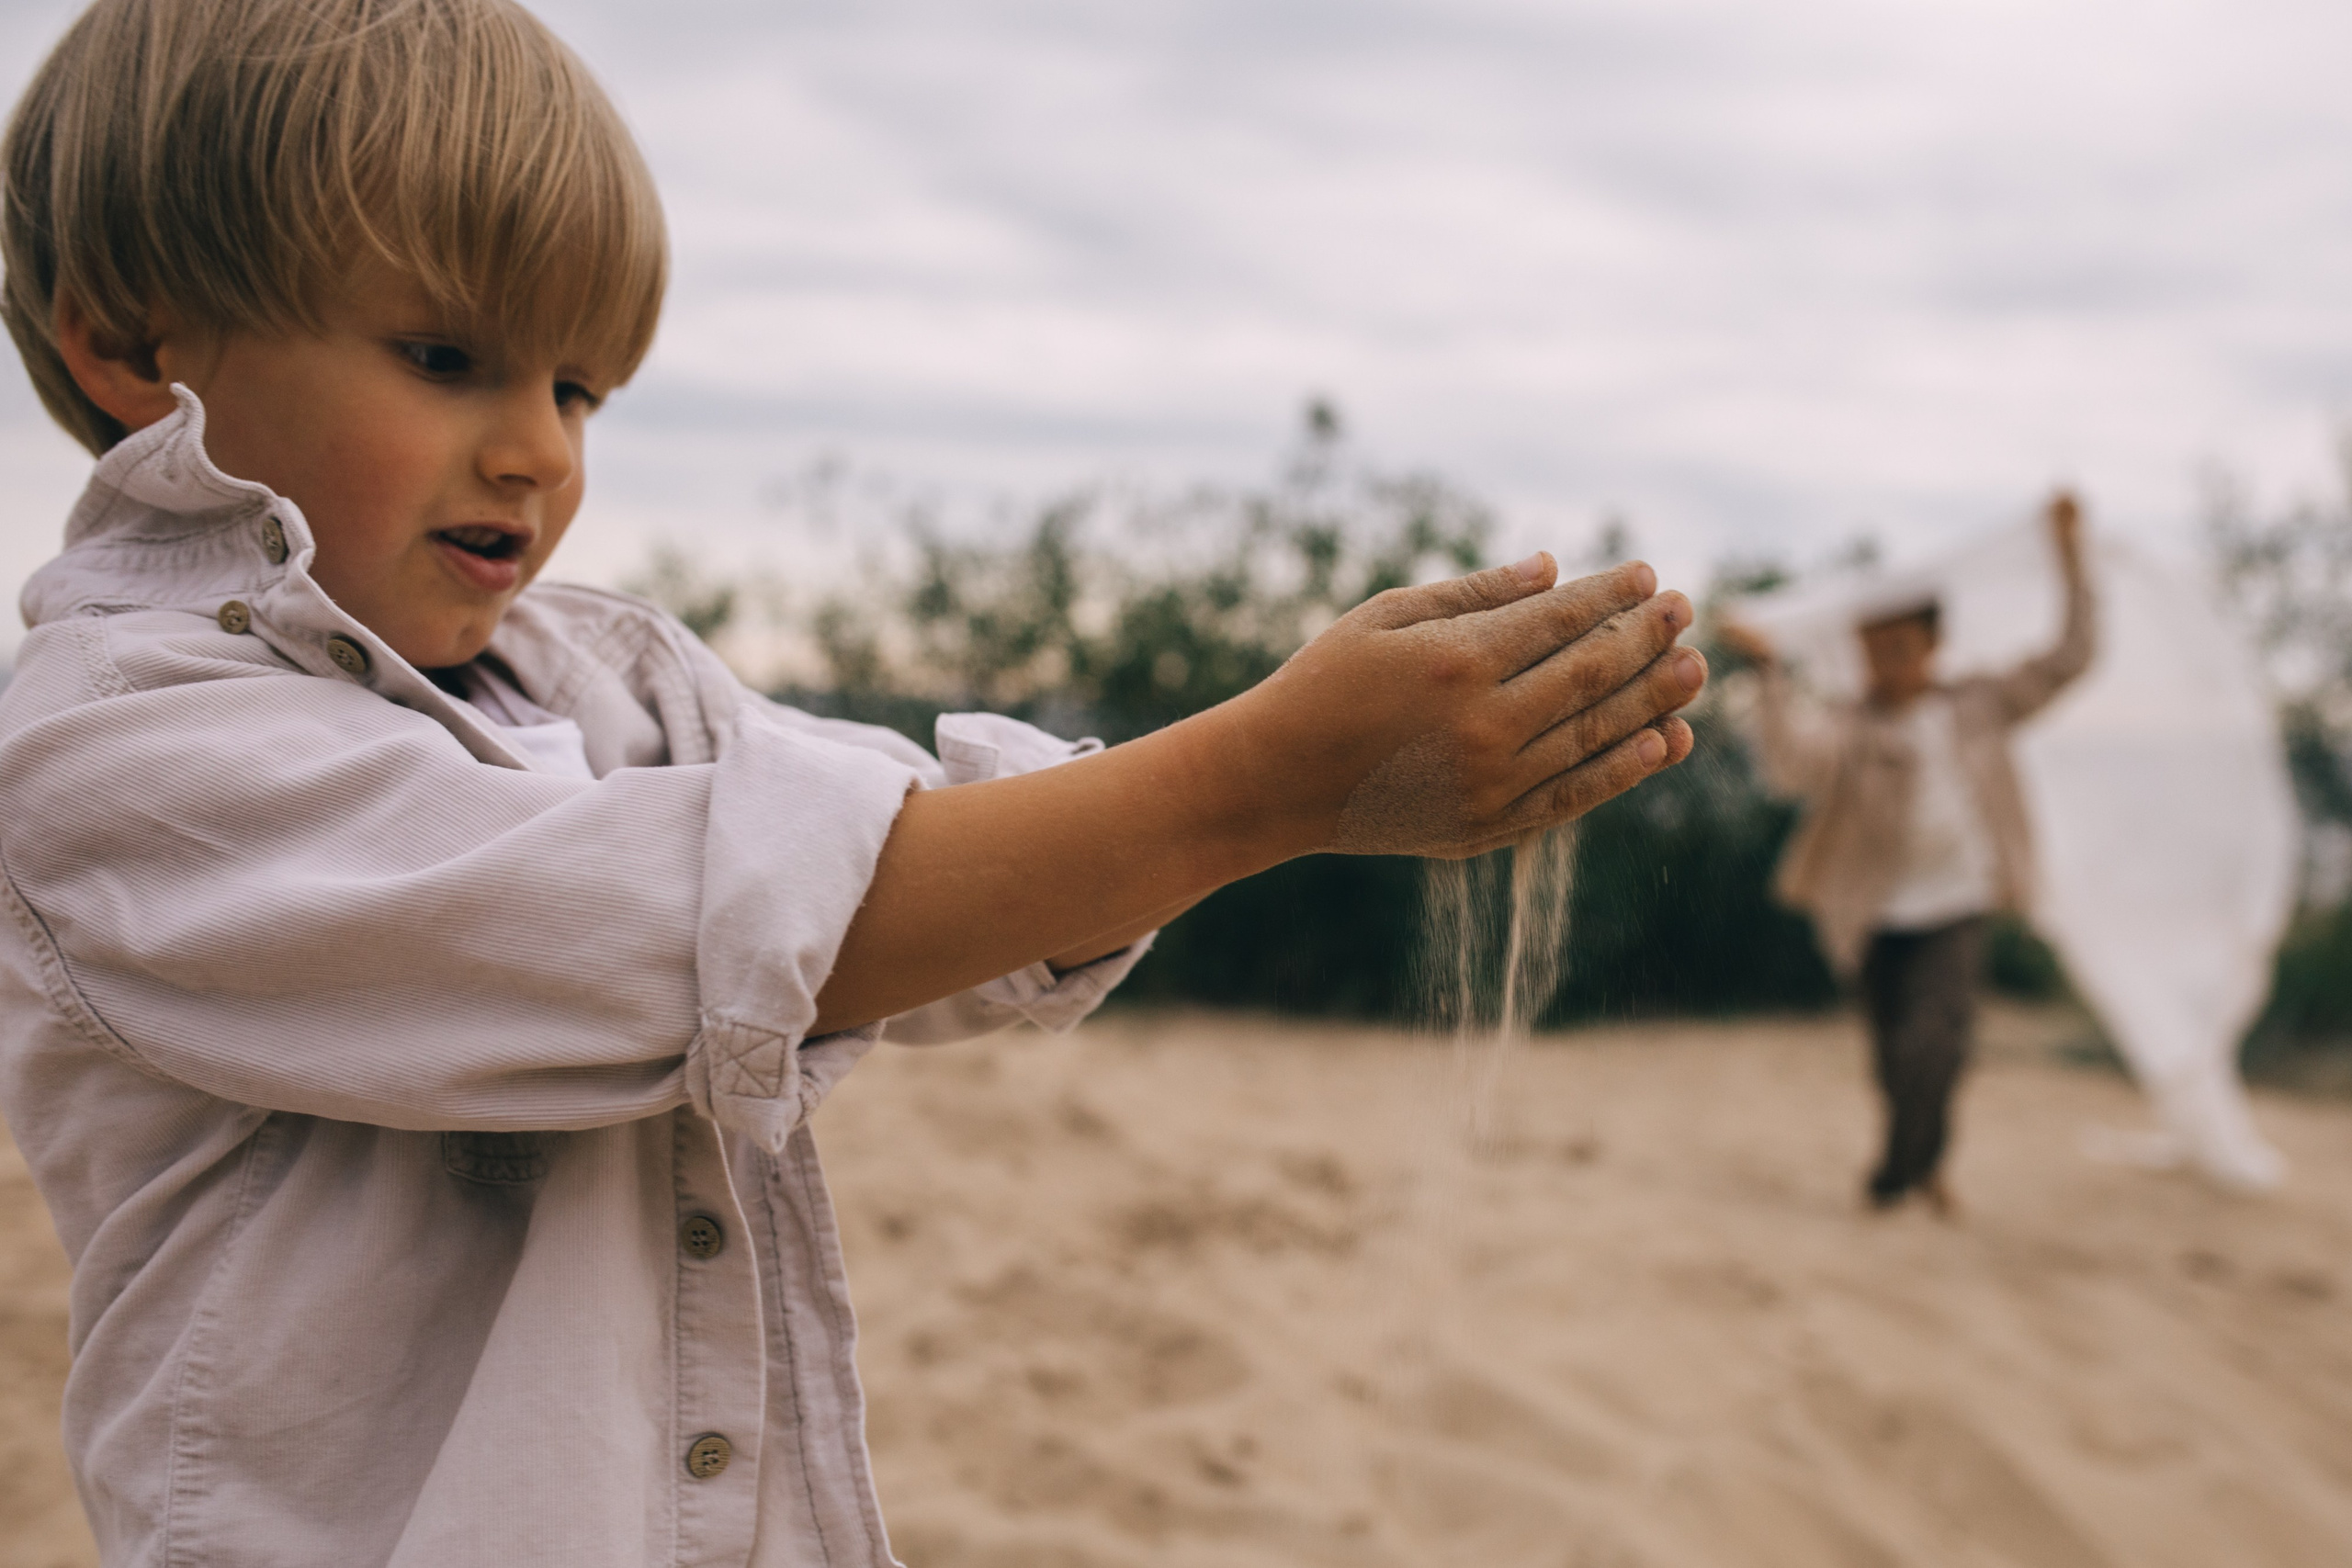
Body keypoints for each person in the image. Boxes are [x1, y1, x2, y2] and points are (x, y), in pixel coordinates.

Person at [0, 1, 1709, 1562]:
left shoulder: (595, 675)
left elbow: (905, 869)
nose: (536, 450)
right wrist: (1261, 781)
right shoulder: (125, 746)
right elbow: (692, 925)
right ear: (134, 345)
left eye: (579, 388)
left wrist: (1299, 780)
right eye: (447, 359)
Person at [1723, 494, 2095, 1214]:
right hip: (1872, 911)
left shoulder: (1981, 703)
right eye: (1871, 648)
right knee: (1895, 1057)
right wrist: (1767, 673)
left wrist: (2070, 556)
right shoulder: (1850, 724)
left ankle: (1893, 1176)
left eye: (1898, 647)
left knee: (1937, 1040)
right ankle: (1924, 1164)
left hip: (1957, 901)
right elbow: (1791, 764)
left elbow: (2070, 658)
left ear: (1932, 642)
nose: (1883, 662)